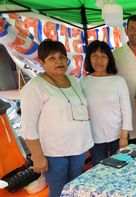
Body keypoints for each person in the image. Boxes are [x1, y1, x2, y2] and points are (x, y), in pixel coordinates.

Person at [20, 39, 93, 197]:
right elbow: (27, 126)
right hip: (54, 152)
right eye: (52, 58)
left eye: (62, 57)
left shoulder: (73, 81)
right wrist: (38, 157)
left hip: (78, 148)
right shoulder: (35, 87)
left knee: (75, 188)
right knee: (59, 190)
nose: (58, 62)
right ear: (41, 62)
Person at [81, 40, 132, 166]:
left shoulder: (118, 81)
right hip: (95, 138)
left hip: (118, 136)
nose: (99, 60)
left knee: (121, 169)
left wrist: (124, 135)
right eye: (95, 56)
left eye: (103, 56)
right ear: (88, 58)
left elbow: (126, 110)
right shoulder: (83, 82)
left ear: (109, 59)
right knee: (99, 170)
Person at [113, 15, 136, 145]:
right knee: (129, 155)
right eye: (132, 28)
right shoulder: (115, 56)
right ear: (126, 31)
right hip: (125, 115)